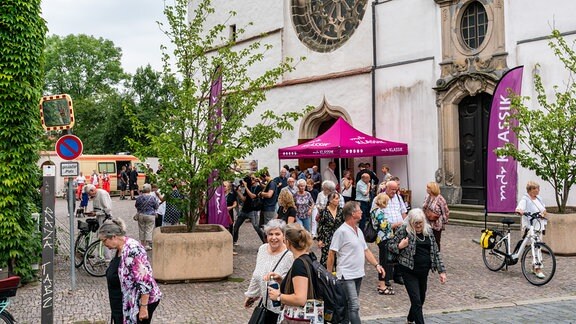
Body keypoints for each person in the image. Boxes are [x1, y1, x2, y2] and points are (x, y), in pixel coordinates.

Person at [326, 201, 385, 324]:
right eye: (359, 210)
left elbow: (366, 250)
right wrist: (329, 274)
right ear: (353, 214)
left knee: (349, 305)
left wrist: (377, 265)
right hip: (346, 275)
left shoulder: (358, 230)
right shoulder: (341, 231)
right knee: (354, 305)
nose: (362, 212)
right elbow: (331, 253)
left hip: (358, 273)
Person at [388, 208, 447, 324]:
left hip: (423, 271)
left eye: (420, 223)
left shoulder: (428, 232)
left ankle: (410, 319)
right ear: (410, 222)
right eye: (416, 223)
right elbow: (390, 245)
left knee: (421, 298)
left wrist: (442, 271)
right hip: (408, 270)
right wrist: (400, 246)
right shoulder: (404, 231)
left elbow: (435, 252)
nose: (419, 226)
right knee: (416, 300)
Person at [98, 218, 162, 323]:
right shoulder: (120, 248)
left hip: (139, 303)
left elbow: (145, 280)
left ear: (114, 237)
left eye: (104, 241)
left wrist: (143, 307)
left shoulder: (133, 250)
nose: (104, 244)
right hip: (125, 302)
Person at [267, 223, 321, 324]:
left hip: (299, 319)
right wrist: (283, 281)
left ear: (288, 242)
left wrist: (278, 296)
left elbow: (300, 299)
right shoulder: (309, 257)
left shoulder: (299, 264)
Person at [244, 220, 294, 324]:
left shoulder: (289, 255)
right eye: (270, 234)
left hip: (282, 309)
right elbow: (256, 274)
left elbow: (293, 283)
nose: (273, 237)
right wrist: (251, 295)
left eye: (277, 234)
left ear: (284, 236)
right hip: (266, 307)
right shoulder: (262, 249)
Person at [515, 181, 548, 278]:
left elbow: (544, 210)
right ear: (529, 190)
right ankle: (537, 268)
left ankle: (535, 267)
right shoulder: (525, 199)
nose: (537, 190)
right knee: (534, 246)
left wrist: (543, 214)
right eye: (535, 188)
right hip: (530, 226)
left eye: (538, 188)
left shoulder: (539, 198)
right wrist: (520, 211)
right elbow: (519, 209)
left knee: (537, 246)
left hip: (538, 226)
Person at [382, 180, 407, 285]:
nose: (394, 192)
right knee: (386, 253)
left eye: (395, 190)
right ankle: (386, 277)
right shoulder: (380, 198)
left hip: (399, 229)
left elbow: (403, 211)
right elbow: (376, 213)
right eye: (392, 189)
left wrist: (405, 225)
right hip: (387, 229)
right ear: (386, 188)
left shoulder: (398, 197)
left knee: (400, 251)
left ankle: (398, 275)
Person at [371, 193, 394, 295]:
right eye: (387, 202)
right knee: (383, 262)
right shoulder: (379, 212)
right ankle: (382, 285)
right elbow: (384, 226)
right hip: (383, 239)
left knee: (384, 261)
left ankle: (382, 283)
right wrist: (394, 224)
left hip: (381, 238)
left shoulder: (374, 210)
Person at [233, 175, 265, 245]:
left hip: (253, 211)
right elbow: (244, 199)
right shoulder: (249, 187)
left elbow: (253, 196)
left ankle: (265, 242)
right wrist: (238, 191)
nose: (251, 180)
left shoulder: (258, 188)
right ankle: (234, 241)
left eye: (252, 179)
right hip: (244, 210)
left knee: (257, 227)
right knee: (236, 226)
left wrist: (246, 187)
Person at [317, 192, 344, 267]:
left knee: (338, 257)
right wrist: (320, 239)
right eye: (336, 198)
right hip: (327, 237)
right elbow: (320, 226)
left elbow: (344, 224)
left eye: (339, 198)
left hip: (338, 237)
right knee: (326, 257)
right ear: (331, 200)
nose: (338, 200)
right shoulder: (324, 212)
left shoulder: (341, 211)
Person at [422, 182, 450, 251]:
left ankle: (436, 255)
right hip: (427, 222)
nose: (427, 189)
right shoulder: (427, 197)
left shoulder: (440, 199)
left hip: (436, 224)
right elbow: (423, 207)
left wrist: (444, 221)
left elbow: (445, 211)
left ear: (432, 189)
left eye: (428, 188)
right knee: (427, 240)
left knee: (436, 241)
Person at [135, 184, 159, 251]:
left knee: (141, 229)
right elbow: (156, 206)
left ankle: (142, 244)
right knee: (149, 229)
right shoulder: (152, 198)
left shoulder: (139, 197)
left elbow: (136, 205)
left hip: (141, 215)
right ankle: (147, 245)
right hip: (150, 215)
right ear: (149, 189)